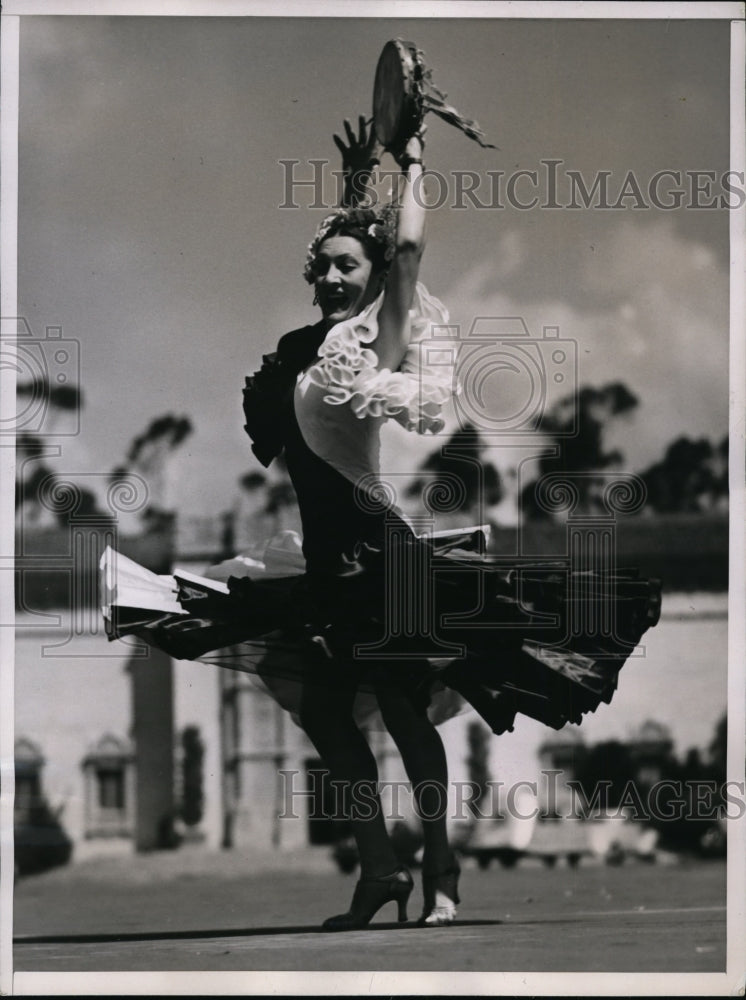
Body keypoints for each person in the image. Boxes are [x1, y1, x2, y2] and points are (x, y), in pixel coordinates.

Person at [242, 116, 463, 929]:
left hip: (380, 557)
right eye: (323, 265)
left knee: (405, 713)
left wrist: (412, 161)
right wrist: (353, 189)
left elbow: (401, 254)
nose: (332, 277)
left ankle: (439, 859)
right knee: (327, 713)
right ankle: (380, 868)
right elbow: (361, 245)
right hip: (324, 565)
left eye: (347, 268)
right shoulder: (307, 348)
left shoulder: (379, 340)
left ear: (372, 281)